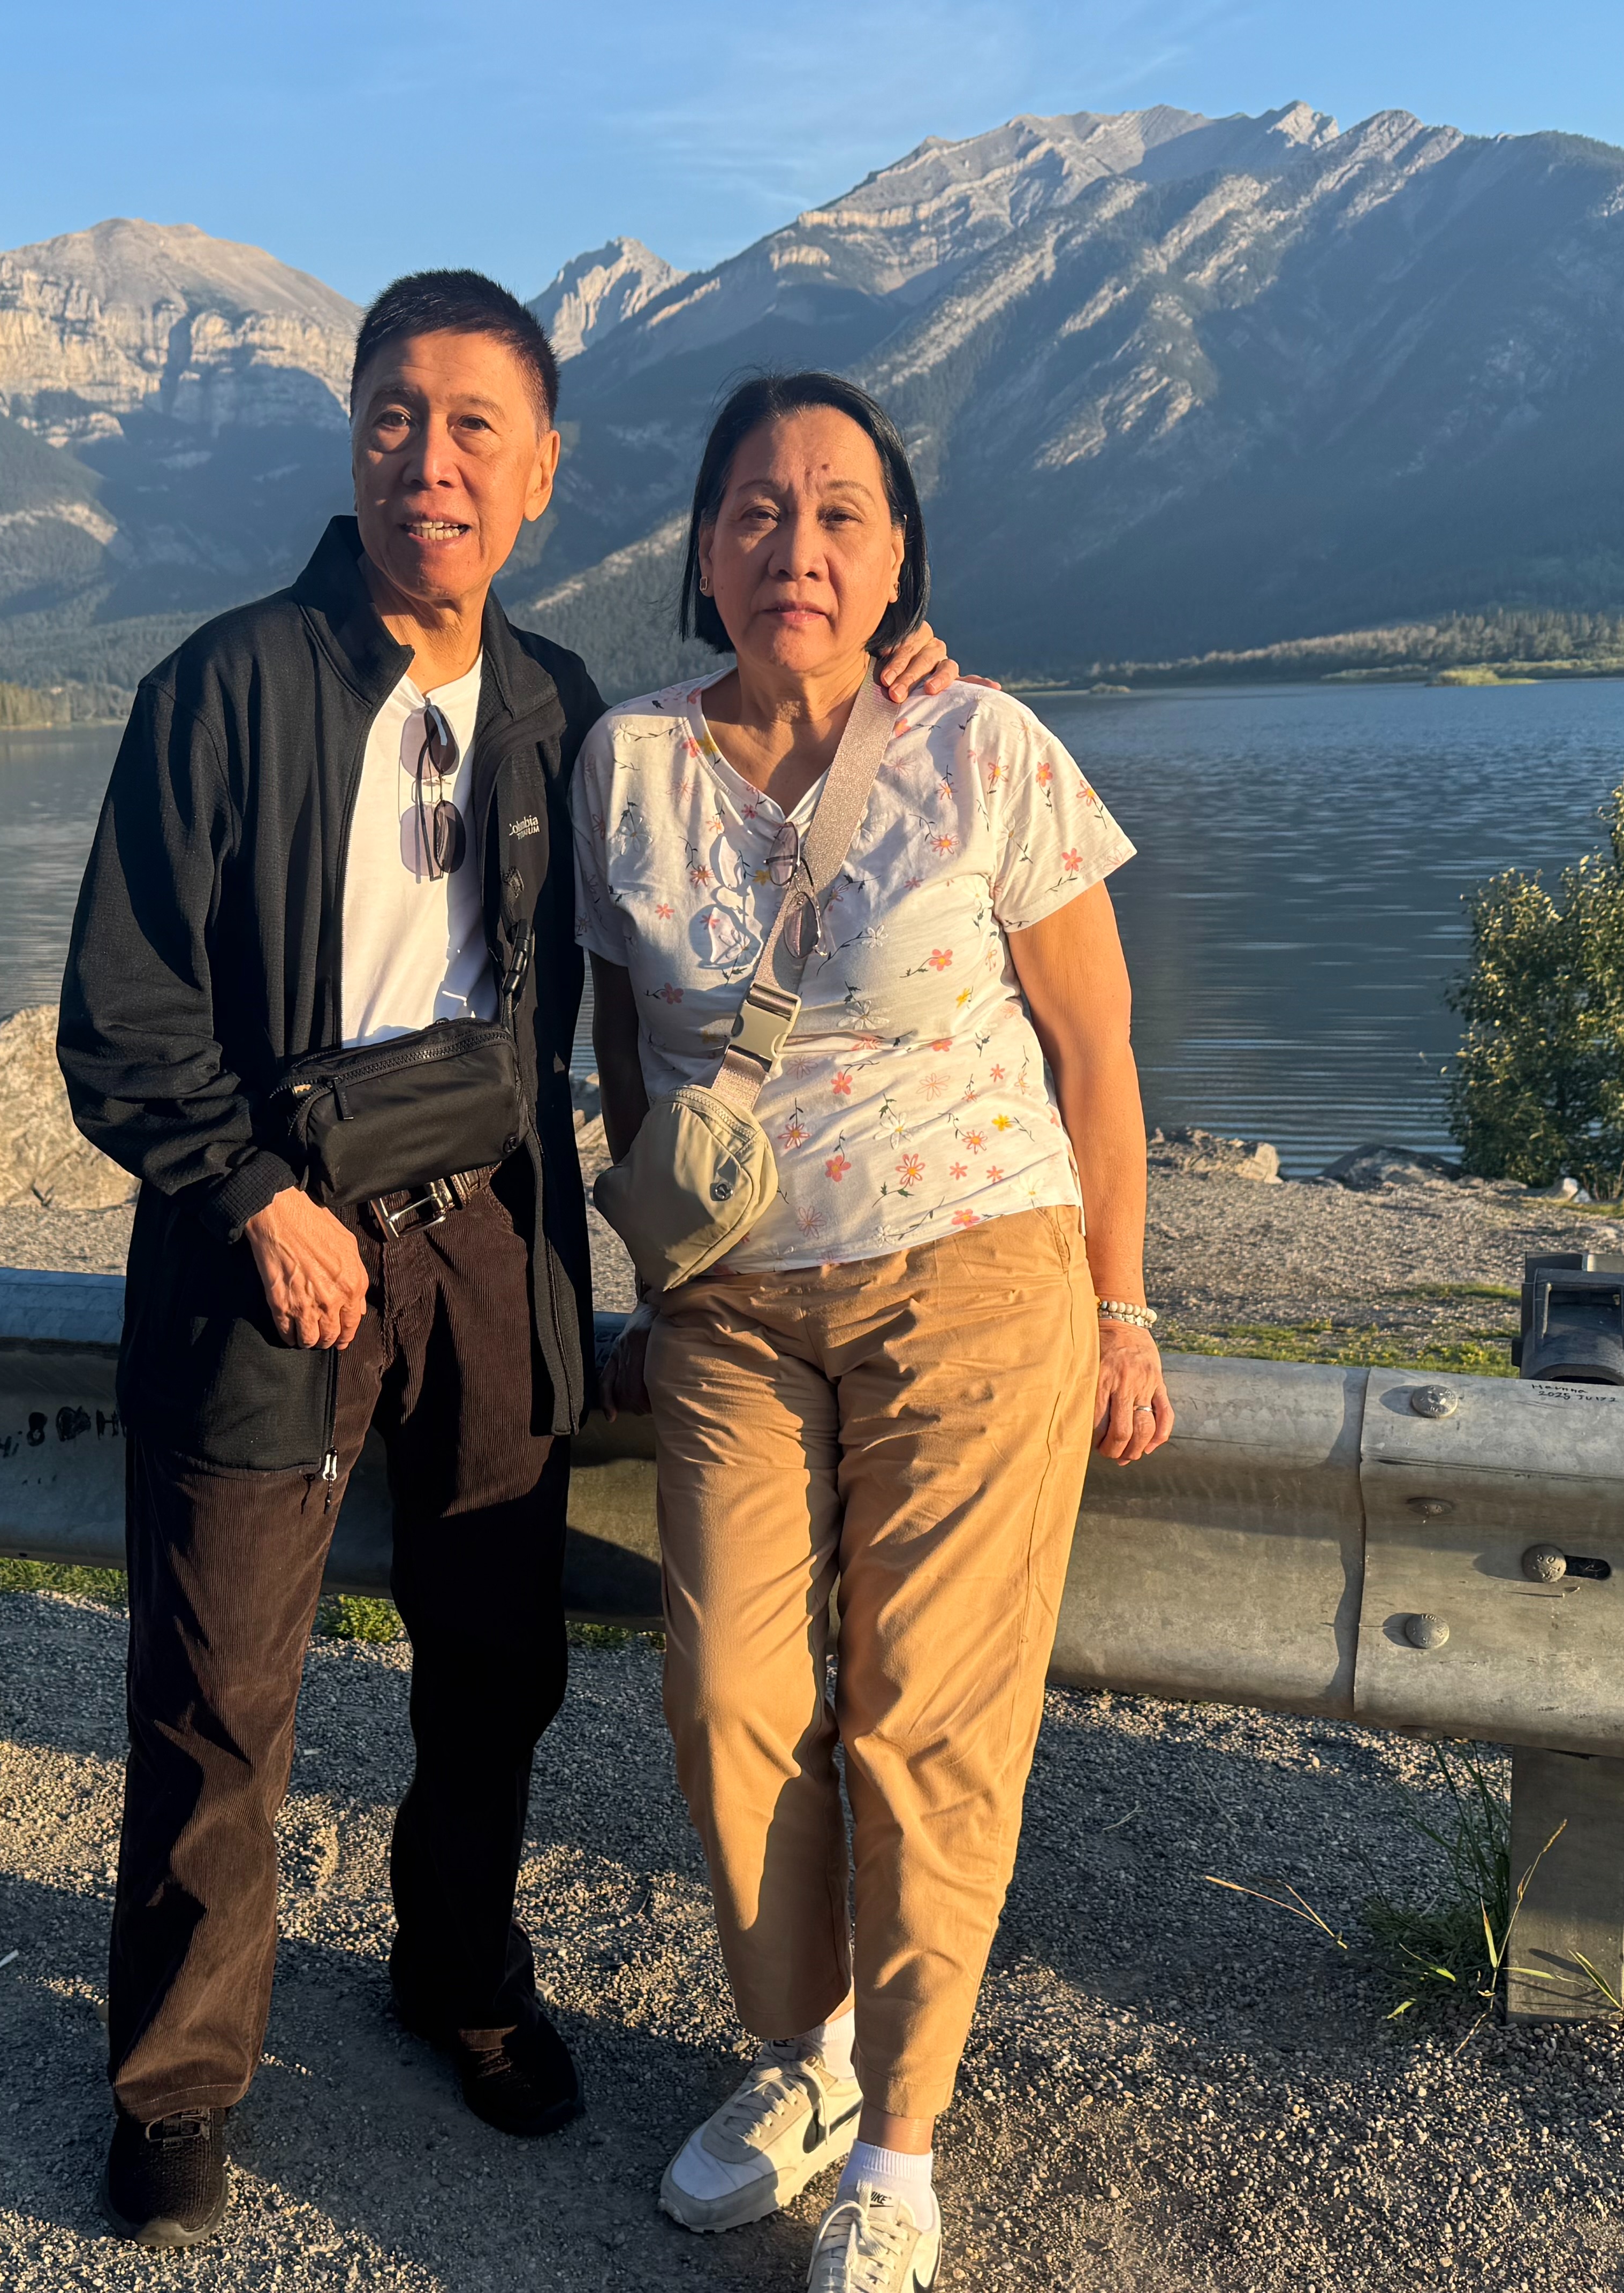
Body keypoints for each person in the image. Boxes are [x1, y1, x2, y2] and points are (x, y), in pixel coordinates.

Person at [59, 277, 967, 2249]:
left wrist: (895, 667)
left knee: (497, 1660)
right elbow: (120, 1021)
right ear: (353, 440)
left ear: (543, 474)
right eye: (397, 416)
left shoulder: (568, 710)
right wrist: (253, 1196)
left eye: (478, 426)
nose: (433, 460)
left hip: (491, 1237)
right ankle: (179, 2078)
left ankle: (458, 1970)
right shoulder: (220, 689)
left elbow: (760, 765)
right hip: (269, 1240)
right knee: (221, 1685)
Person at [577, 372, 1175, 2293]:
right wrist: (657, 1269)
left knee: (926, 1715)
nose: (799, 546)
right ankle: (808, 2054)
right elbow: (627, 1053)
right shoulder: (626, 762)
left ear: (900, 551)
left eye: (842, 511)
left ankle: (900, 2147)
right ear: (701, 547)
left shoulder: (983, 742)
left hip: (976, 1269)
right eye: (758, 508)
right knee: (730, 1694)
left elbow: (1098, 1052)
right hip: (733, 1308)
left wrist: (1121, 1303)